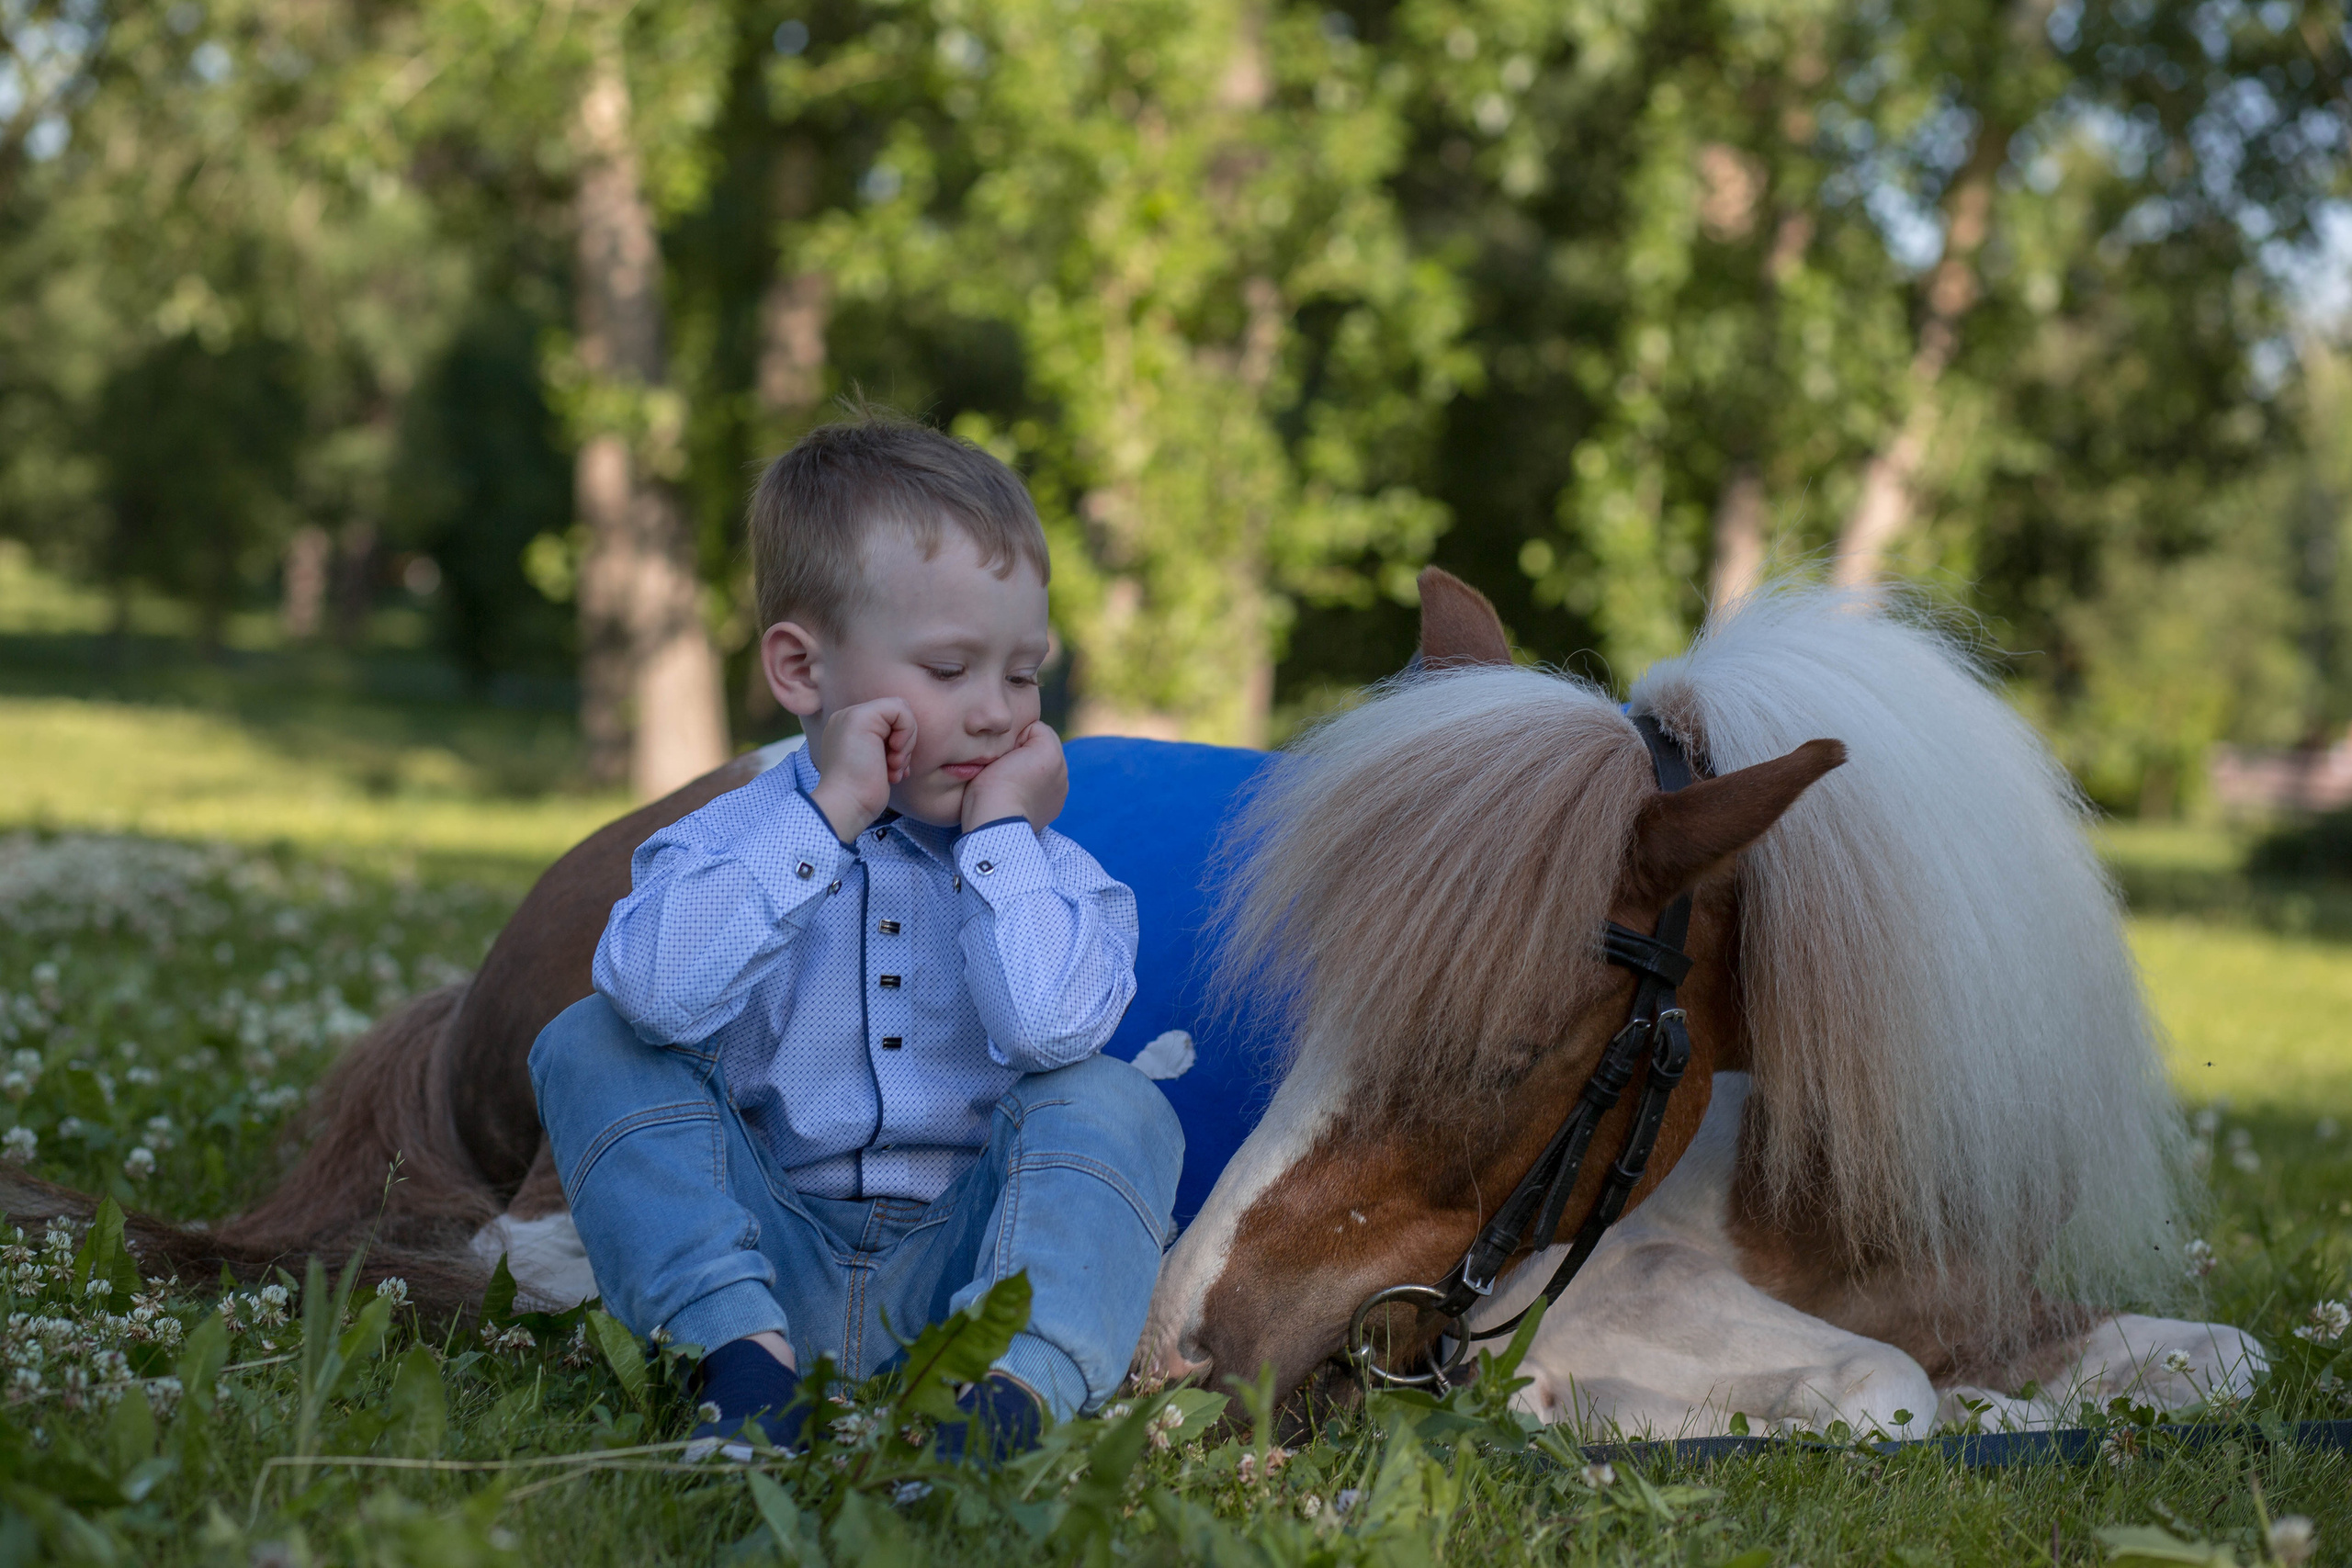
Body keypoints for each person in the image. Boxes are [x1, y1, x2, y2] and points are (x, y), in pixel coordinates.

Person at [529, 410, 1181, 1461]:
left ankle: (1006, 1402)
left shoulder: (1051, 879)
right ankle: (739, 1375)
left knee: (1113, 1097)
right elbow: (654, 996)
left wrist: (1004, 838)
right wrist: (823, 818)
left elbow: (1053, 1035)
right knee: (588, 1041)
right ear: (801, 671)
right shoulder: (725, 842)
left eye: (1022, 675)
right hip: (758, 1252)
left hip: (969, 1277)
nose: (995, 714)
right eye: (949, 668)